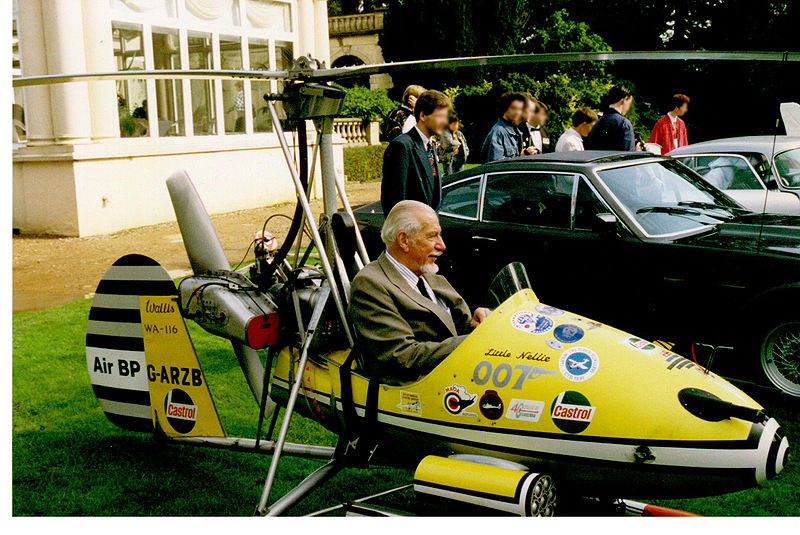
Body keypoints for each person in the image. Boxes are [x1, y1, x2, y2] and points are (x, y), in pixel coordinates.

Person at [348, 200, 492, 384]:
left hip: (457, 378)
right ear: (404, 240)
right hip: (421, 388)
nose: (442, 245)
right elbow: (402, 356)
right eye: (432, 236)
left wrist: (476, 322)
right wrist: (473, 342)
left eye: (439, 235)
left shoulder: (428, 274)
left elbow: (451, 326)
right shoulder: (371, 284)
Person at [381, 90, 451, 214]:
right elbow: (394, 203)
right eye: (440, 116)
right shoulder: (401, 146)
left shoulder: (431, 146)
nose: (445, 122)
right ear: (423, 116)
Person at [585, 86, 638, 152]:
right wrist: (638, 152)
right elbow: (628, 155)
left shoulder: (598, 122)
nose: (628, 108)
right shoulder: (624, 124)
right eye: (629, 103)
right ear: (624, 100)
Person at [481, 92, 526, 163]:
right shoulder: (498, 132)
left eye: (520, 109)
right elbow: (496, 164)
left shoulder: (516, 130)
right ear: (505, 108)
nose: (517, 112)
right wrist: (520, 157)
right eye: (513, 108)